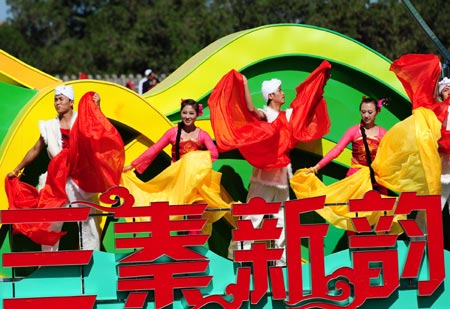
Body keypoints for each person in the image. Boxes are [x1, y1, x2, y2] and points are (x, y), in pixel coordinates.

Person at [208, 61, 332, 266]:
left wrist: (321, 82)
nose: (284, 93)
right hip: (264, 175)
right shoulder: (266, 114)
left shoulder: (288, 115)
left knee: (282, 218)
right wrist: (244, 83)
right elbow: (249, 109)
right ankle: (237, 257)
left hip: (283, 174)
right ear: (271, 96)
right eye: (279, 90)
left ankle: (282, 263)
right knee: (253, 215)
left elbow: (305, 104)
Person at [6, 88, 125, 251]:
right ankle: (48, 263)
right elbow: (35, 149)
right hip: (56, 178)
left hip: (80, 178)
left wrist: (97, 108)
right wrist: (17, 169)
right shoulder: (49, 126)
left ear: (71, 101)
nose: (57, 103)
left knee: (87, 220)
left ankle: (91, 259)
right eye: (55, 99)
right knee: (50, 219)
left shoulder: (83, 121)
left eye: (61, 99)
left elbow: (100, 133)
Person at [122, 99, 235, 235]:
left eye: (191, 113)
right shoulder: (173, 133)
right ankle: (170, 247)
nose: (187, 116)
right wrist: (133, 165)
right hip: (177, 181)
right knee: (171, 215)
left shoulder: (201, 134)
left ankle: (193, 248)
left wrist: (193, 160)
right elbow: (154, 149)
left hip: (196, 182)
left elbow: (214, 153)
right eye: (185, 113)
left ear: (197, 115)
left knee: (195, 215)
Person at [307, 97, 387, 193]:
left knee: (378, 206)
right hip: (355, 179)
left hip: (375, 180)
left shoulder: (383, 134)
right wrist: (316, 167)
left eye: (370, 112)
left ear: (377, 112)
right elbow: (337, 150)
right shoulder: (353, 131)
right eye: (363, 112)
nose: (366, 115)